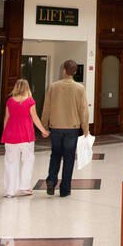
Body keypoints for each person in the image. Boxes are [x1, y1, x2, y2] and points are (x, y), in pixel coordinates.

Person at [41, 60, 90, 198]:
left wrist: (44, 126)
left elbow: (46, 108)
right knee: (69, 158)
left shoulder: (53, 87)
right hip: (72, 128)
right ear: (74, 72)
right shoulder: (80, 89)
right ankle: (65, 189)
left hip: (55, 127)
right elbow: (83, 111)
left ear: (64, 71)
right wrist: (86, 129)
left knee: (55, 155)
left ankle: (51, 180)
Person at [2, 78, 49, 197]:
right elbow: (35, 118)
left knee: (10, 162)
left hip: (11, 135)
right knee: (28, 160)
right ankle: (25, 187)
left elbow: (6, 118)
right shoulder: (30, 101)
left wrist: (4, 132)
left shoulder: (10, 101)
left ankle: (9, 190)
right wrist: (44, 131)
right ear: (27, 88)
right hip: (26, 136)